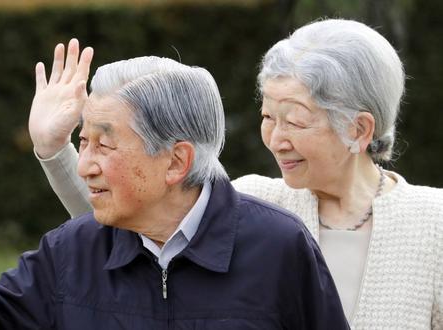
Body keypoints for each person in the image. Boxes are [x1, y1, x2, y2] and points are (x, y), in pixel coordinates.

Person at [0, 39, 349, 329]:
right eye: (84, 141)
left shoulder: (279, 248)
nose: (84, 165)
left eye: (105, 144)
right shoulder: (73, 251)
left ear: (176, 161)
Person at [33, 20, 443, 329]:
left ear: (359, 129)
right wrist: (54, 152)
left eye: (295, 122)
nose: (276, 139)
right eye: (268, 117)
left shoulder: (433, 222)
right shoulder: (255, 204)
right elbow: (133, 211)